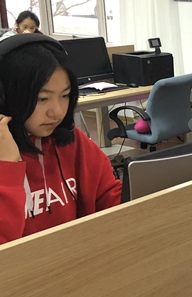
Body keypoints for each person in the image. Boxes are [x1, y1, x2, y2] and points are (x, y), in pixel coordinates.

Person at [0, 34, 122, 245]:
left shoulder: (70, 140)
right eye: (42, 98)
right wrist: (7, 166)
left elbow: (111, 197)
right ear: (5, 97)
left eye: (65, 95)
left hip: (74, 258)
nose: (57, 111)